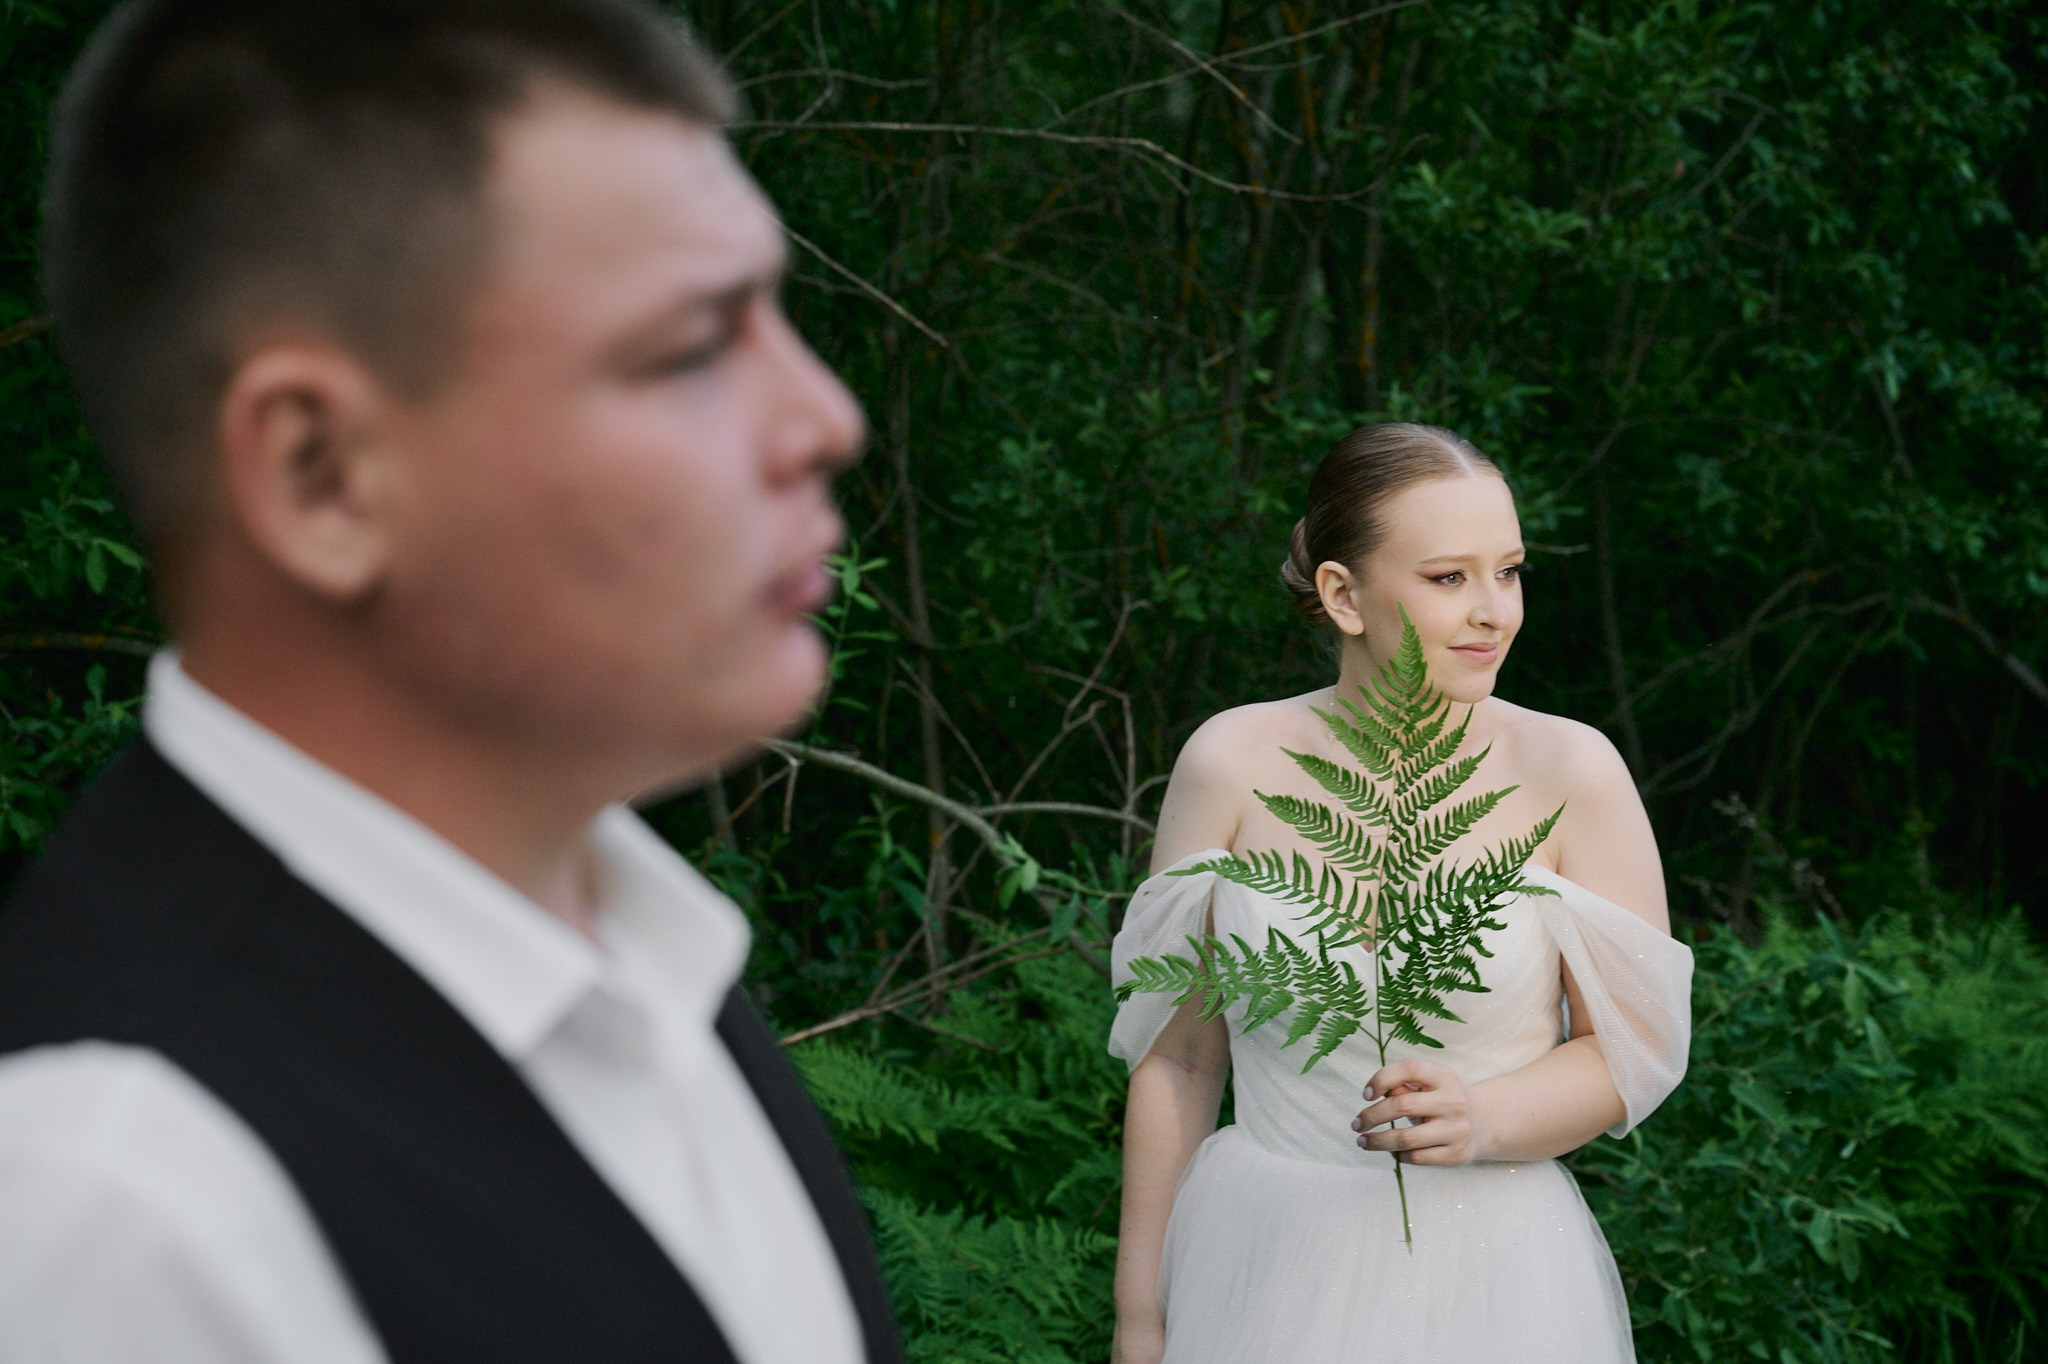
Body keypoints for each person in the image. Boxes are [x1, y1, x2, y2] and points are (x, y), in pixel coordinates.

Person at [0, 1, 902, 1360]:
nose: (826, 418)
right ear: (322, 477)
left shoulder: (652, 969)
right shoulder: (115, 1205)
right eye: (690, 348)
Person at [1109, 423, 1694, 1363]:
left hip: (1497, 1277)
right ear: (1343, 594)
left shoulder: (1572, 771)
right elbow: (1179, 1059)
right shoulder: (1230, 761)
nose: (1494, 612)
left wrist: (1488, 1117)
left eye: (1509, 571)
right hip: (1263, 1261)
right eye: (1449, 577)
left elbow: (1633, 1048)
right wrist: (1140, 1318)